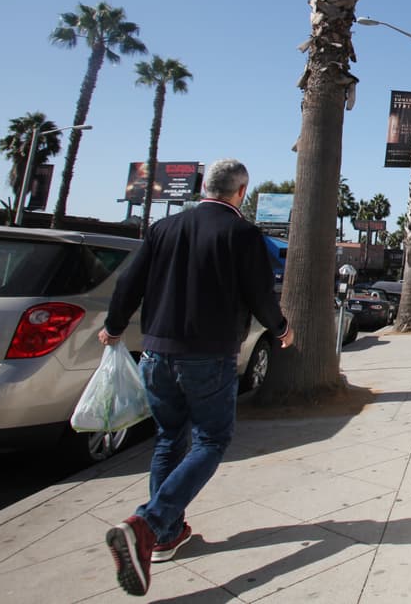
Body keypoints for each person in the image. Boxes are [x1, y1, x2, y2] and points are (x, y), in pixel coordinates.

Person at [100, 158, 293, 597]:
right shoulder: (243, 234)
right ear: (240, 192)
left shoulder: (164, 229)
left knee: (170, 440)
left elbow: (128, 283)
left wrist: (113, 328)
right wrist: (280, 329)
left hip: (156, 353)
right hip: (208, 357)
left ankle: (165, 536)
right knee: (211, 440)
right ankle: (146, 524)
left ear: (204, 187)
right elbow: (259, 293)